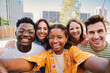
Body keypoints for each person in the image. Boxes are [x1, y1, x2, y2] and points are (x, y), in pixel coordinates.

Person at [0, 24, 109, 73]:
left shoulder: (73, 51)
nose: (55, 41)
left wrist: (106, 67)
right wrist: (3, 64)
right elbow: (31, 62)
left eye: (60, 37)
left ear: (66, 38)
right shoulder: (46, 54)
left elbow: (86, 58)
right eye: (51, 37)